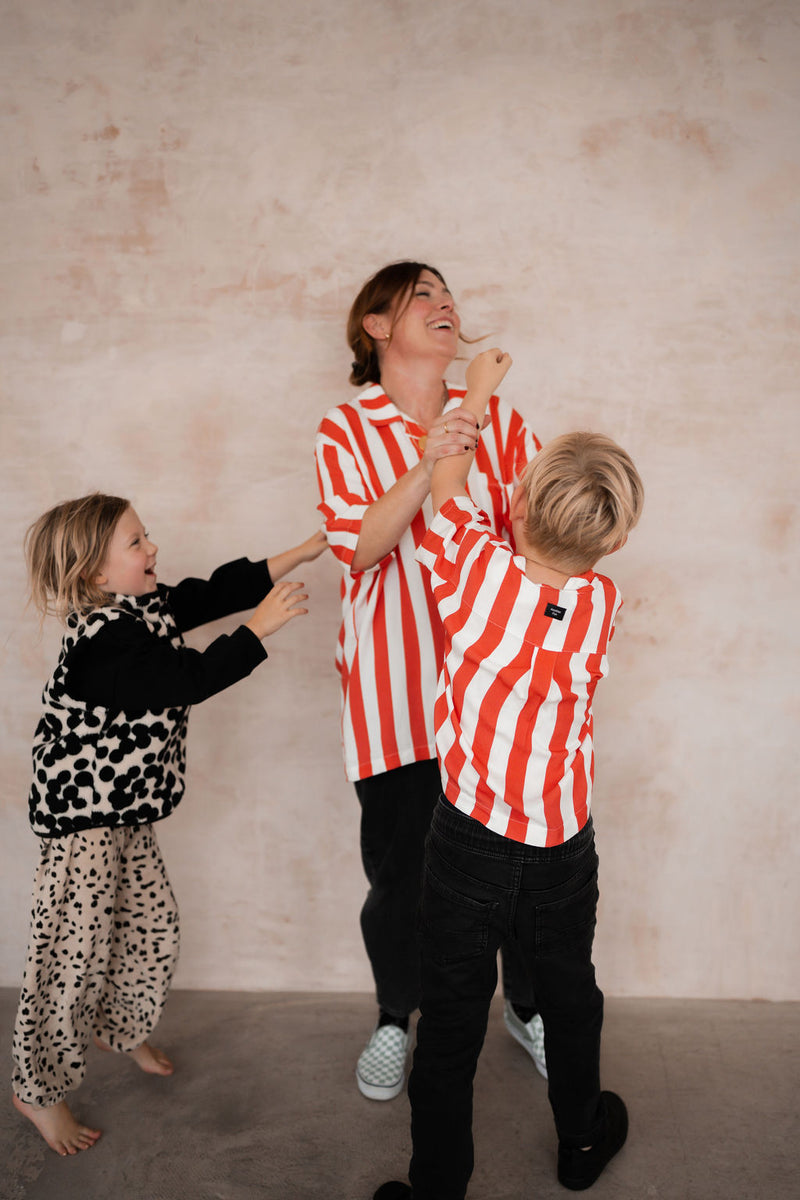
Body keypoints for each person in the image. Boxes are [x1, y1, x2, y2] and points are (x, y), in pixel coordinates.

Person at [373, 348, 644, 1199]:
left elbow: (448, 480)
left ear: (516, 502)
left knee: (451, 1020)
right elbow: (550, 559)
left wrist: (478, 391)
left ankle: (438, 1187)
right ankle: (582, 1140)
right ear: (616, 540)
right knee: (569, 993)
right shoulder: (602, 607)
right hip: (563, 845)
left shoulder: (473, 570)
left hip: (470, 843)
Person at [12, 492, 327, 1156]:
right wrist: (258, 631)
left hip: (124, 812)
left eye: (146, 535)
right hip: (81, 824)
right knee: (71, 955)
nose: (151, 547)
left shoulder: (142, 608)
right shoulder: (102, 643)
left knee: (148, 923)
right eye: (135, 542)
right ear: (96, 574)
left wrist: (294, 553)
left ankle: (119, 1027)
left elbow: (209, 593)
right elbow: (188, 676)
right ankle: (36, 1090)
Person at [315, 262, 545, 1102]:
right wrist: (433, 455)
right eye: (423, 296)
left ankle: (528, 1007)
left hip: (496, 691)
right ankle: (392, 1019)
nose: (446, 304)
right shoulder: (344, 428)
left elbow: (536, 536)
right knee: (403, 875)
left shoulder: (502, 421)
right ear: (376, 326)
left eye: (450, 294)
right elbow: (360, 547)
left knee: (519, 865)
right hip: (393, 697)